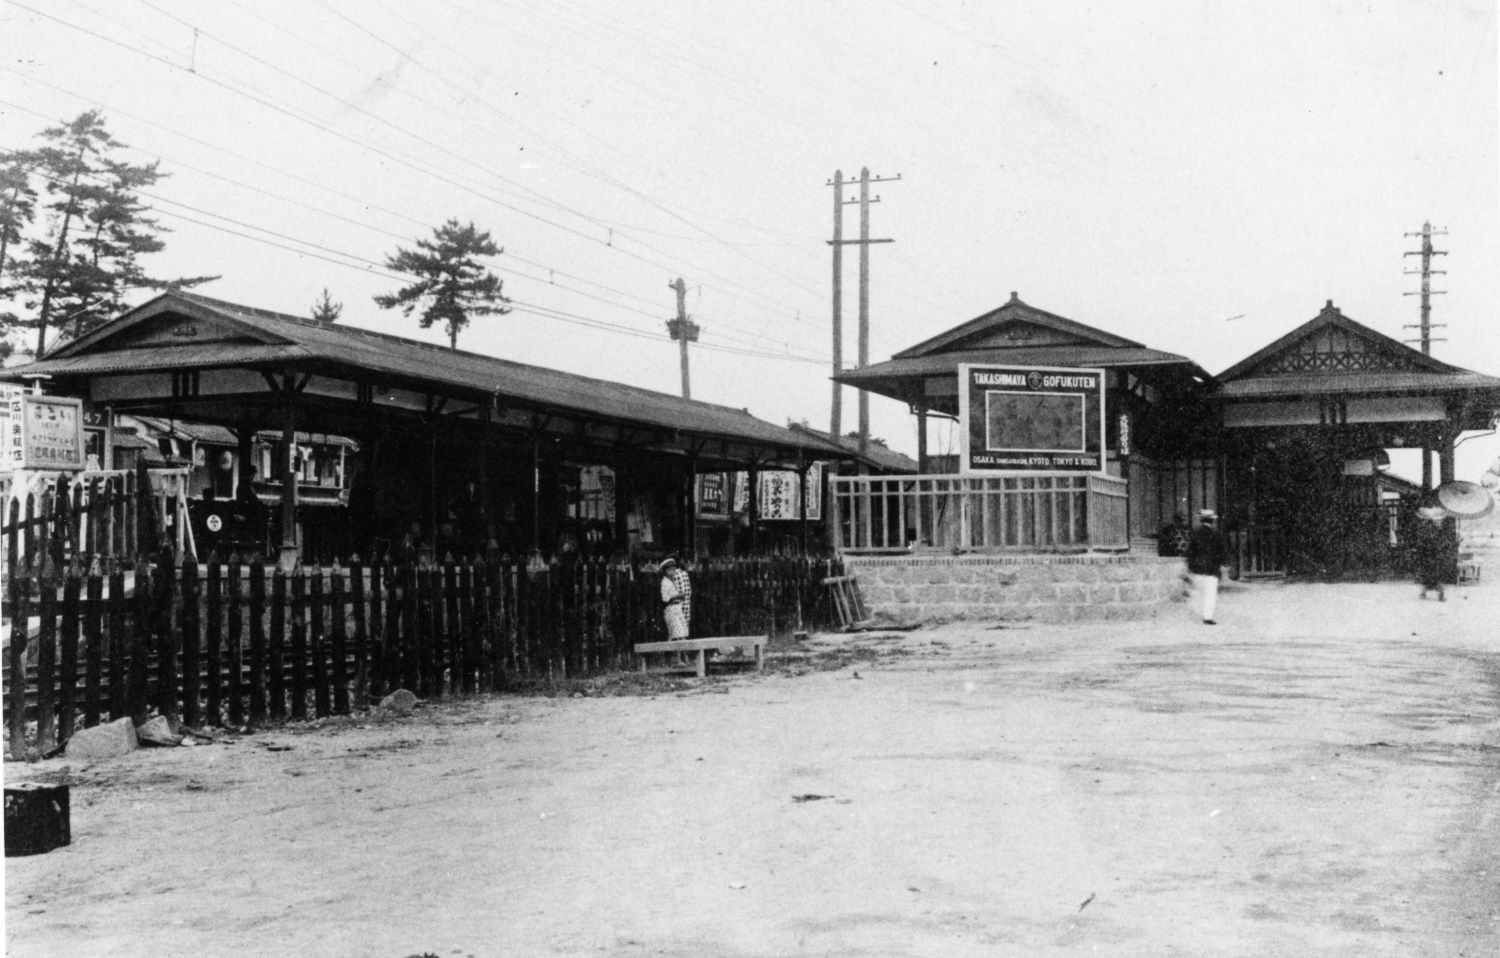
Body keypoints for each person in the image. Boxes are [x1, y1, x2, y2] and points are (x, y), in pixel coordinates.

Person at [1185, 508, 1225, 625]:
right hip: (1212, 569)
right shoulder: (1216, 534)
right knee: (1210, 594)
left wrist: (1190, 566)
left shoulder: (1195, 533)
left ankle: (1196, 614)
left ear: (1201, 520)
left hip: (1197, 568)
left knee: (1198, 592)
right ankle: (1207, 617)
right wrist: (1222, 564)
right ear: (1212, 521)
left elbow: (1190, 552)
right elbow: (1221, 551)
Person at [1412, 503, 1449, 601]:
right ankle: (1439, 595)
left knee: (1429, 576)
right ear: (1433, 520)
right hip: (1432, 556)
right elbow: (1434, 544)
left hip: (1429, 557)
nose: (1440, 522)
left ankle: (1425, 593)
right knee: (1435, 576)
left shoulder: (1429, 529)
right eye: (1439, 520)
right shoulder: (1433, 531)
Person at [658, 554, 692, 640]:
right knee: (677, 633)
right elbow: (665, 598)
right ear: (665, 572)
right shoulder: (664, 582)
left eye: (673, 570)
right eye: (669, 571)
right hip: (671, 610)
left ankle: (683, 653)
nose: (672, 573)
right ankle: (676, 653)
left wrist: (680, 597)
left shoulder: (673, 581)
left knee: (683, 632)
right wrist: (677, 596)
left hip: (678, 608)